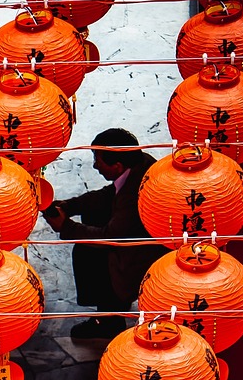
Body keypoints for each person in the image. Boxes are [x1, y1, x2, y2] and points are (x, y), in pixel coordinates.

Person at [43, 128, 158, 341]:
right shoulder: (140, 162)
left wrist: (66, 227)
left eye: (98, 161)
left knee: (87, 253)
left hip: (143, 254)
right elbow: (109, 195)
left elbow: (112, 237)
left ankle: (108, 320)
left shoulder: (135, 195)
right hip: (136, 233)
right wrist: (71, 206)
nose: (95, 166)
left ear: (117, 166)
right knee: (92, 215)